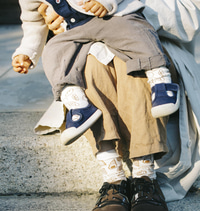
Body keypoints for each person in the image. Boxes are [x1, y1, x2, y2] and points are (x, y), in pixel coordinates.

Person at [34, 0, 200, 211]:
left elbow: (191, 17)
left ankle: (145, 178)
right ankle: (113, 179)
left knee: (131, 64)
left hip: (150, 45)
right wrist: (62, 14)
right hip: (87, 45)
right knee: (90, 63)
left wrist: (119, 9)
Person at [12, 0, 180, 146]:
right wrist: (27, 52)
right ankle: (77, 104)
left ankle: (161, 81)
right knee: (53, 51)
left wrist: (105, 2)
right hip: (75, 30)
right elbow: (32, 23)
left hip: (110, 17)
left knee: (135, 32)